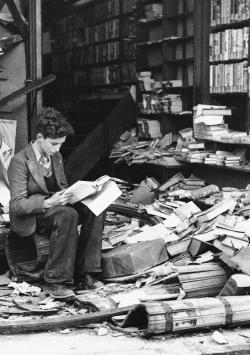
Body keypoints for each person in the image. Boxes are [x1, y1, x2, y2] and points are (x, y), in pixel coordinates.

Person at [8, 107, 104, 299]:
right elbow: (16, 205)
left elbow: (62, 186)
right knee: (68, 215)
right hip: (34, 213)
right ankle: (56, 281)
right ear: (40, 137)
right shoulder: (19, 161)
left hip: (56, 205)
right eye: (53, 144)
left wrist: (81, 193)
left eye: (61, 144)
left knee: (96, 208)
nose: (57, 149)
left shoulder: (55, 156)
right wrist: (47, 202)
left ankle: (85, 271)